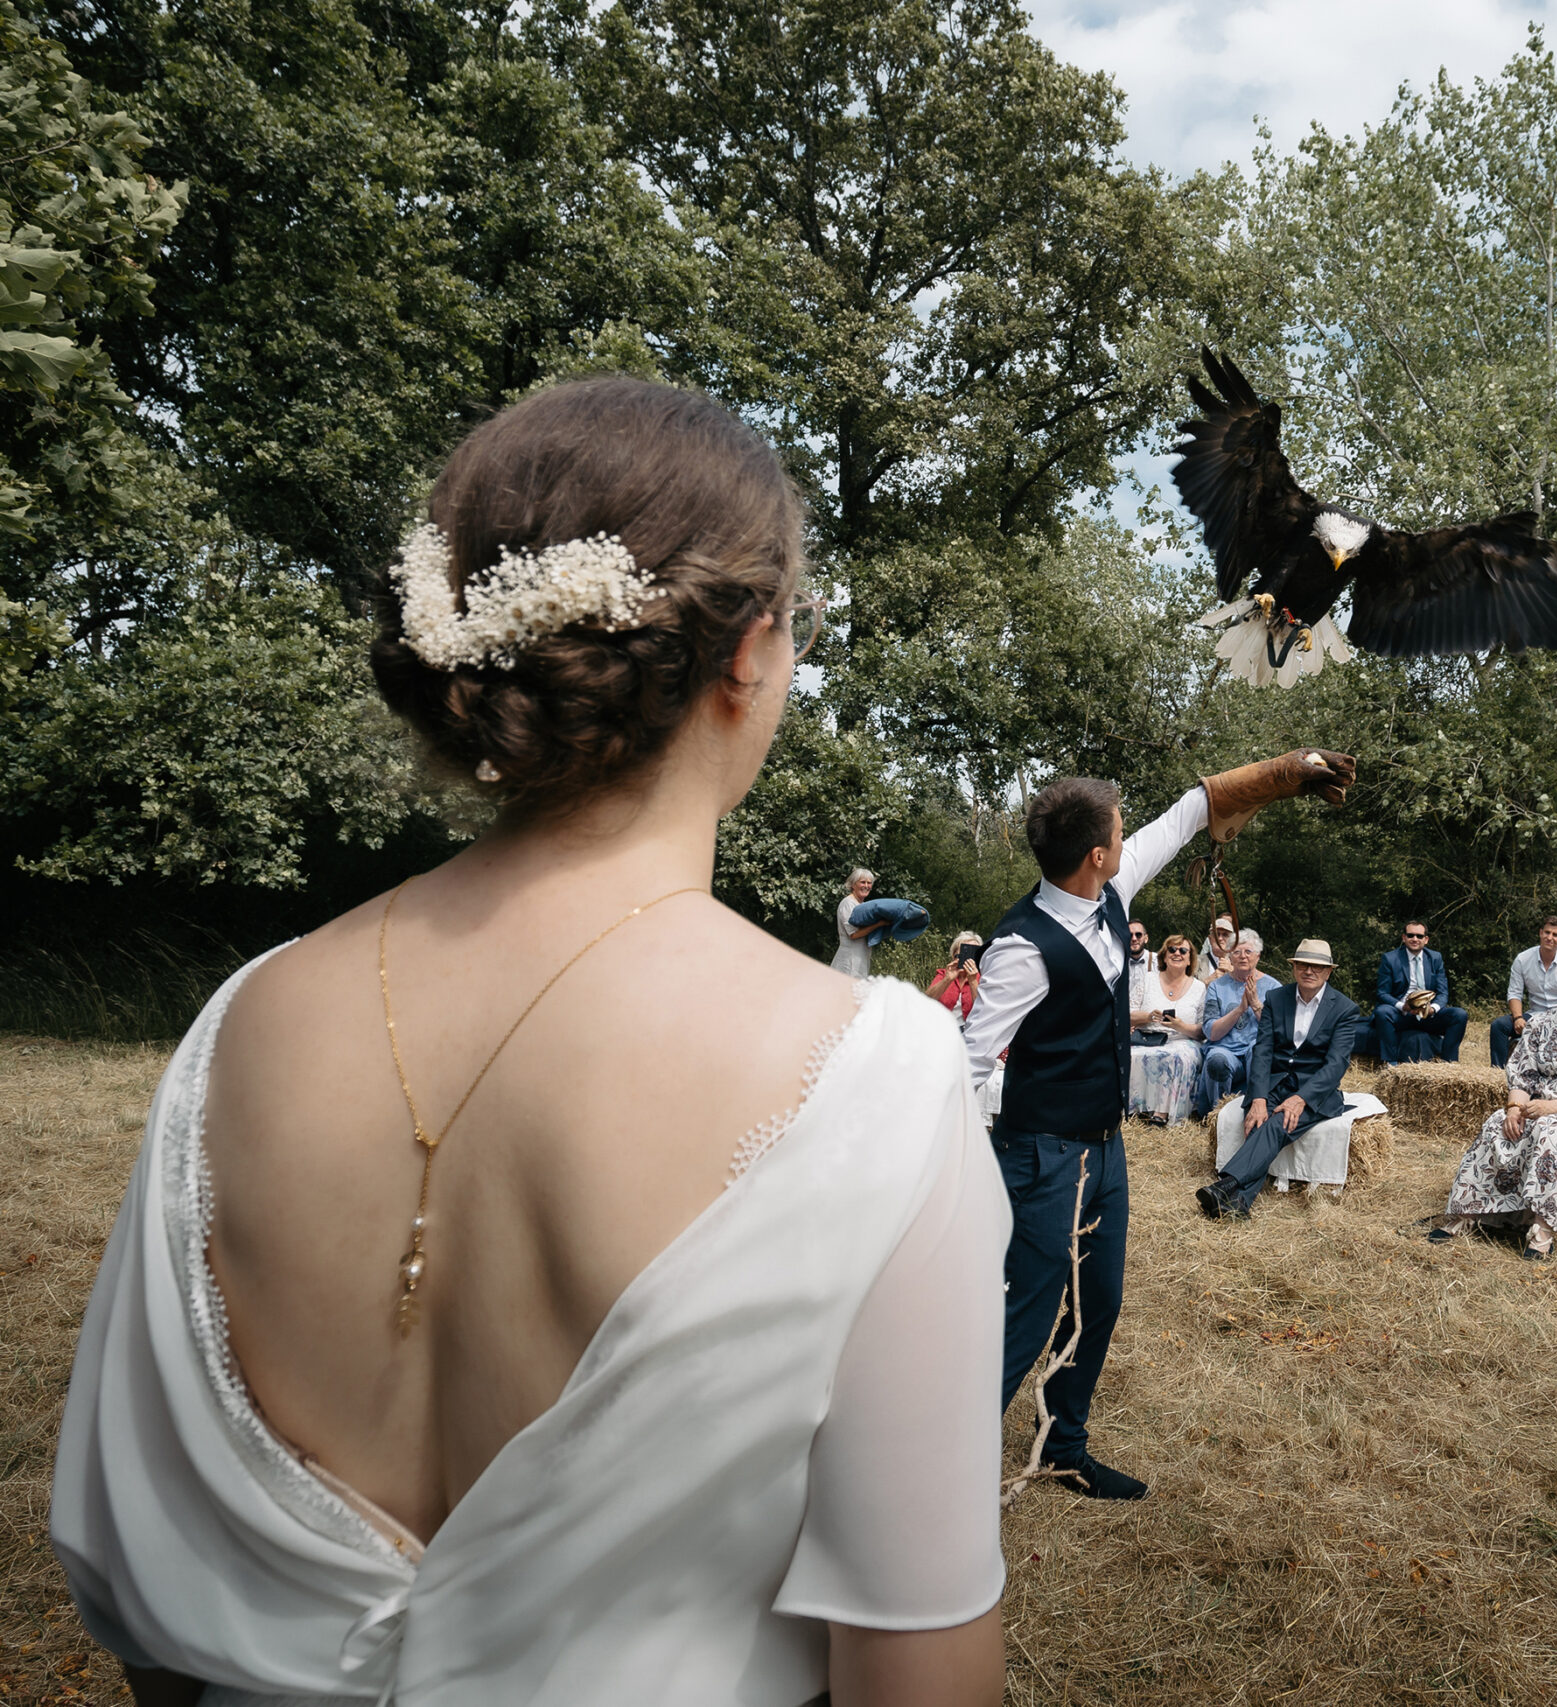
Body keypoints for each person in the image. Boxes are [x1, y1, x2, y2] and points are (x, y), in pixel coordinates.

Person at [50, 378, 1008, 1703]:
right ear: (749, 649)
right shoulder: (875, 1082)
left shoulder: (242, 1023)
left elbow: (147, 1621)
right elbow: (920, 1670)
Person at [966, 751, 1353, 1500]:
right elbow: (966, 1064)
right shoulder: (1021, 948)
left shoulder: (1107, 886)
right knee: (1026, 1312)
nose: (1127, 835)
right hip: (1041, 1155)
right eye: (1118, 828)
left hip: (1103, 1150)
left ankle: (1061, 1445)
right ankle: (946, 1475)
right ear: (1096, 855)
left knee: (1098, 1302)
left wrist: (1287, 771)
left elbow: (1185, 814)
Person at [1429, 954, 1557, 1262]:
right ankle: (1469, 1211)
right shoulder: (1540, 1023)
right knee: (1497, 1122)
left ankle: (1542, 1228)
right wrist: (1514, 1108)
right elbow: (1523, 1075)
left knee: (1552, 1129)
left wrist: (1554, 1108)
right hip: (1537, 1106)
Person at [1198, 940, 1363, 1218]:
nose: (1309, 970)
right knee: (1255, 1120)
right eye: (1303, 964)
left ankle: (1227, 1184)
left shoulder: (1344, 1009)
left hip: (1315, 1091)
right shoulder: (1277, 998)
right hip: (1274, 1082)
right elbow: (1262, 1051)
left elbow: (1336, 1066)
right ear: (1294, 968)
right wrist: (1259, 1097)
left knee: (1277, 1124)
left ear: (1328, 972)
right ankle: (1239, 1204)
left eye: (1317, 966)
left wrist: (1300, 1099)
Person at [1197, 929, 1281, 1116]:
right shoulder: (1217, 987)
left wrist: (1257, 1005)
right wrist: (1240, 1009)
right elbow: (1211, 1032)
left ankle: (1256, 1110)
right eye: (1237, 952)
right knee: (1217, 1058)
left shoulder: (1274, 987)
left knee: (1257, 1049)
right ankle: (1217, 1115)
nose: (1243, 957)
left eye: (1248, 952)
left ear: (1258, 956)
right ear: (1230, 957)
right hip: (1225, 1049)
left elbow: (1279, 1032)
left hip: (1255, 1049)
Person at [1127, 934, 1207, 1125]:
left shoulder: (1199, 987)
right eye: (1171, 949)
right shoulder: (1148, 980)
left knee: (1177, 1057)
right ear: (1163, 956)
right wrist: (1148, 1017)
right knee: (1129, 1055)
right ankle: (1133, 1108)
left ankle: (1161, 1112)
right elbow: (1127, 1013)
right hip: (1147, 1037)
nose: (1176, 953)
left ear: (1190, 959)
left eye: (1183, 950)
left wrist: (1181, 1026)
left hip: (1183, 1040)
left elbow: (1203, 1030)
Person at [1371, 920, 1468, 1063]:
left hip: (1428, 1015)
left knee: (1460, 1014)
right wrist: (1402, 1006)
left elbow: (1443, 993)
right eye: (1410, 935)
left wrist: (1432, 1009)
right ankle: (1391, 1063)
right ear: (1404, 938)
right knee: (1382, 1012)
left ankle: (1449, 1063)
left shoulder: (1435, 958)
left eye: (1419, 936)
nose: (1415, 939)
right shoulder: (1390, 959)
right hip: (1401, 1014)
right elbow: (1382, 993)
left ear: (1426, 939)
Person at [1495, 916, 1557, 1068]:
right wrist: (1517, 1018)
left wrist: (1551, 1022)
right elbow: (1515, 993)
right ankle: (1497, 1072)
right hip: (1533, 1015)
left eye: (1555, 935)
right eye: (1547, 932)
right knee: (1499, 1026)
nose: (1550, 938)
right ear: (1540, 933)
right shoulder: (1523, 959)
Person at [830, 866, 883, 974]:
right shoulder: (848, 903)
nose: (866, 886)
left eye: (869, 883)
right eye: (862, 882)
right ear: (853, 884)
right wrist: (879, 924)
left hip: (861, 958)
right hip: (849, 959)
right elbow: (853, 934)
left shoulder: (862, 905)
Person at [926, 931, 986, 1020]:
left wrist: (973, 981)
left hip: (971, 1029)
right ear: (954, 956)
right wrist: (947, 979)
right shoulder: (944, 974)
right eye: (963, 954)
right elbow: (926, 1000)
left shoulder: (983, 978)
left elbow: (984, 1010)